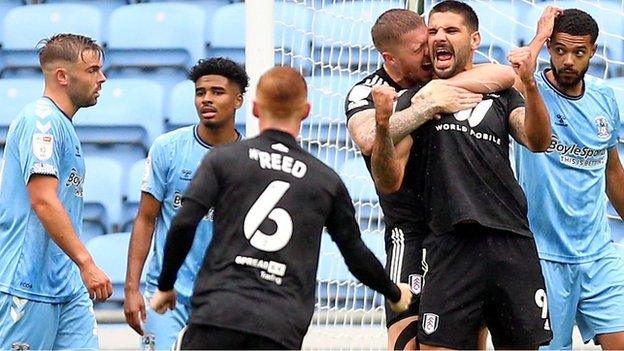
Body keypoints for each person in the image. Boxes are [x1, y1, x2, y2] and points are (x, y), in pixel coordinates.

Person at [150, 66, 413, 350]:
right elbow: (355, 253)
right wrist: (393, 291)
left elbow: (184, 222)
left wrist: (166, 285)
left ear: (253, 108)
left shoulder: (223, 161)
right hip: (279, 324)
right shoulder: (324, 179)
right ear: (306, 111)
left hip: (219, 314)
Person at [371, 1, 556, 349]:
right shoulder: (415, 100)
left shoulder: (500, 94)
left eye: (451, 30)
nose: (439, 37)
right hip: (449, 244)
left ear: (474, 40)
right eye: (434, 31)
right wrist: (383, 127)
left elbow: (537, 140)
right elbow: (388, 179)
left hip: (510, 240)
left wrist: (529, 84)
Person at [345, 8, 515, 350]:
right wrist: (425, 107)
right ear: (390, 58)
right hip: (409, 231)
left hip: (459, 229)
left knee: (468, 340)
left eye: (429, 41)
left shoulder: (437, 77)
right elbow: (366, 138)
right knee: (407, 342)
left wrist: (438, 88)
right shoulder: (368, 91)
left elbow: (504, 74)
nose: (431, 51)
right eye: (419, 48)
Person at [514, 8, 624, 350]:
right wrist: (537, 36)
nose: (568, 61)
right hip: (542, 258)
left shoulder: (604, 98)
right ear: (549, 48)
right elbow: (518, 72)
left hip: (598, 255)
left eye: (578, 52)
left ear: (593, 51)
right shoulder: (526, 91)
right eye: (559, 50)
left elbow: (612, 171)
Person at [123, 57, 248, 349]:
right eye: (200, 92)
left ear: (238, 100)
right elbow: (145, 219)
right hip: (167, 292)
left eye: (217, 92)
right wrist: (131, 287)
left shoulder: (250, 158)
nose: (206, 99)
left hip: (225, 294)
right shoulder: (168, 148)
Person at [0, 33, 111, 349]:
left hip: (66, 286)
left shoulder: (64, 126)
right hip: (27, 284)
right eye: (92, 70)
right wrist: (87, 263)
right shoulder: (42, 121)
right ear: (62, 76)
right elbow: (43, 200)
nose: (102, 78)